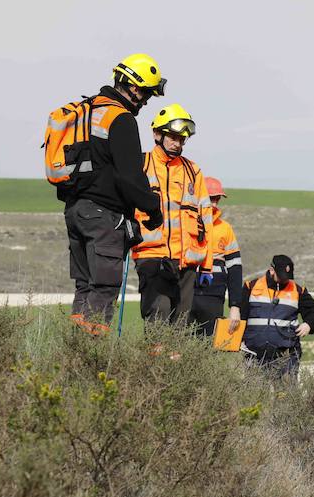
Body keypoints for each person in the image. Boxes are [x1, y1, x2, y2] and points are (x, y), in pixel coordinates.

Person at [61, 53, 165, 334]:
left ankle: (74, 350)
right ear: (134, 87)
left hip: (75, 211)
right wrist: (153, 209)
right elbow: (130, 178)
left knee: (84, 286)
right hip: (104, 216)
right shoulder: (121, 119)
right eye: (147, 94)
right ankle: (90, 357)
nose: (145, 101)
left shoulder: (88, 109)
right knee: (104, 287)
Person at [133, 104, 213, 325]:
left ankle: (176, 361)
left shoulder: (192, 170)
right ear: (157, 134)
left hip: (187, 261)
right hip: (151, 257)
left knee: (181, 326)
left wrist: (207, 264)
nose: (178, 144)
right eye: (173, 137)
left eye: (182, 139)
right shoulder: (141, 165)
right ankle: (155, 361)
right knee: (158, 316)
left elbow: (205, 217)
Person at [239, 255, 314, 378]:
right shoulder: (250, 287)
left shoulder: (298, 291)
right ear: (271, 270)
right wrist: (238, 340)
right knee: (254, 394)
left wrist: (308, 324)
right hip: (253, 353)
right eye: (282, 276)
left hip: (286, 354)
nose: (285, 280)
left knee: (285, 395)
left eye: (288, 277)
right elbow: (240, 316)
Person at [189, 177, 243, 336]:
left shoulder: (225, 229)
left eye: (217, 199)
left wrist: (235, 306)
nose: (215, 204)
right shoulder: (186, 223)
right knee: (180, 344)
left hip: (214, 297)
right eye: (211, 198)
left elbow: (235, 270)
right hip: (186, 294)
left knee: (208, 347)